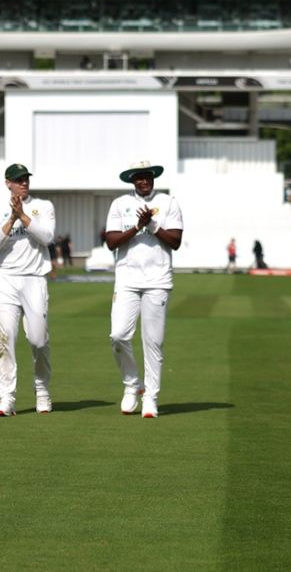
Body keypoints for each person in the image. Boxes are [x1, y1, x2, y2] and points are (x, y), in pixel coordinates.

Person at [105, 160, 184, 418]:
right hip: (127, 278)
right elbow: (111, 242)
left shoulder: (168, 202)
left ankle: (151, 396)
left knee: (154, 342)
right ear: (132, 180)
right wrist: (138, 226)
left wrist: (152, 225)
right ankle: (132, 385)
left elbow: (175, 241)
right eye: (139, 177)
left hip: (157, 280)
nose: (144, 180)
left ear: (153, 178)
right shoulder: (119, 204)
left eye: (148, 176)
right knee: (118, 335)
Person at [0, 163, 56, 416]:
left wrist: (23, 215)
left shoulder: (43, 207)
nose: (23, 182)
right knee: (5, 339)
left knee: (38, 339)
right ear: (8, 183)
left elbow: (47, 237)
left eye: (26, 179)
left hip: (35, 279)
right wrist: (11, 218)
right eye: (18, 179)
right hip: (7, 280)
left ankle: (42, 390)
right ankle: (7, 397)